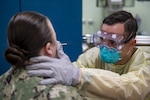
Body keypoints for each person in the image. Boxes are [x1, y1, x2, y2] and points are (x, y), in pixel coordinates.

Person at [26, 10, 150, 100]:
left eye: (113, 42)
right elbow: (72, 74)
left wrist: (80, 76)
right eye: (102, 39)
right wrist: (65, 68)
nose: (104, 47)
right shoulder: (94, 55)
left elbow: (131, 89)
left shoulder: (145, 63)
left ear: (131, 44)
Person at [0, 11, 84, 100]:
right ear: (48, 49)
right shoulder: (63, 93)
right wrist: (75, 83)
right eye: (55, 40)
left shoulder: (2, 82)